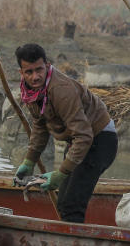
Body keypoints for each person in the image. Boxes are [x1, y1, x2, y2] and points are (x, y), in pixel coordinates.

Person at [12, 43, 118, 222]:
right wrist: (29, 161)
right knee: (62, 203)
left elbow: (84, 136)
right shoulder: (30, 91)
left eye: (39, 70)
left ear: (47, 64)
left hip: (99, 141)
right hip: (78, 142)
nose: (35, 77)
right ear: (21, 73)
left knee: (71, 206)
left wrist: (61, 173)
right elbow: (40, 126)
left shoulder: (60, 89)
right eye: (29, 72)